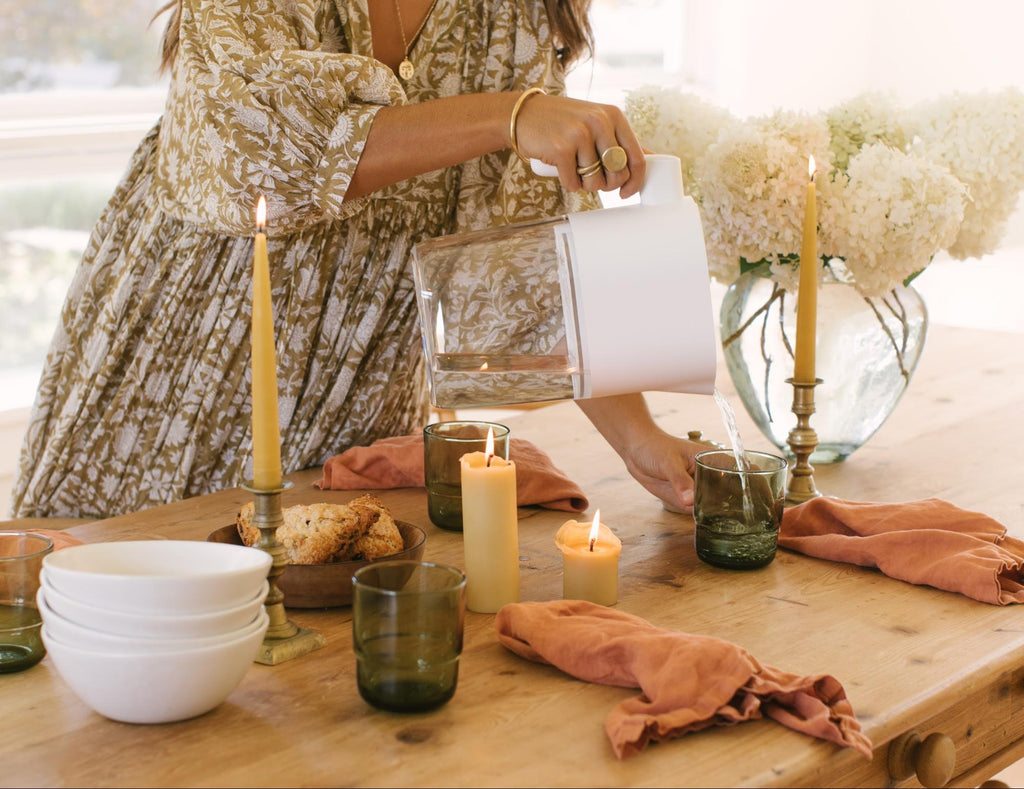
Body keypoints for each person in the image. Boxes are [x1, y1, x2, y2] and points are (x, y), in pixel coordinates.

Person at [11, 0, 706, 520]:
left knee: (311, 681)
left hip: (357, 401)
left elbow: (526, 252)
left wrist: (637, 436)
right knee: (97, 643)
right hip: (181, 373)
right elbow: (249, 150)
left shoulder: (514, 10)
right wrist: (510, 115)